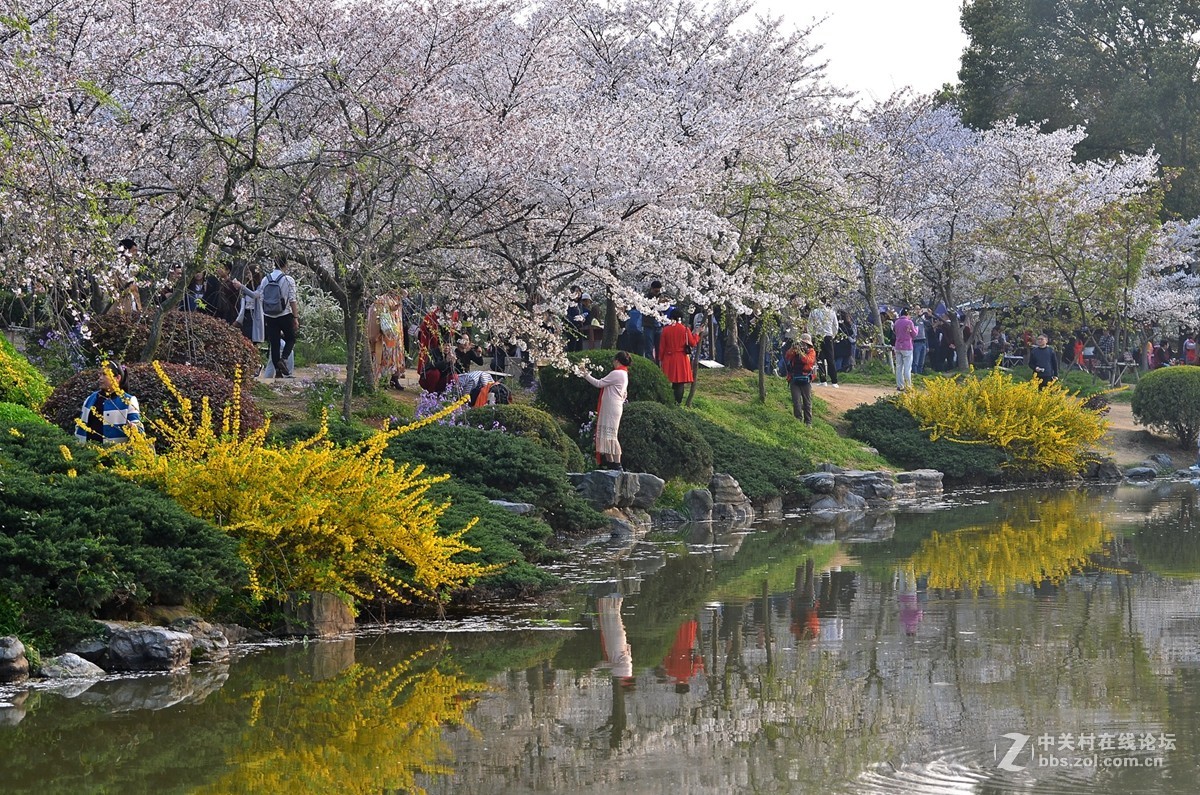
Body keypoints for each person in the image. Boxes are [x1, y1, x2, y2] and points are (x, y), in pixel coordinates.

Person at [581, 351, 631, 469]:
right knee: (606, 434)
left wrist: (585, 374)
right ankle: (611, 463)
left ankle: (617, 463)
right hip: (611, 406)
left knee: (611, 435)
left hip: (611, 407)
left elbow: (599, 383)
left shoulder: (617, 373)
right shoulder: (624, 373)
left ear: (617, 360)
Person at [75, 360, 144, 445]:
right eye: (100, 374)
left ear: (117, 378)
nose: (100, 378)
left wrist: (133, 428)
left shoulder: (128, 401)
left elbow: (139, 430)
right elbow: (80, 426)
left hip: (115, 451)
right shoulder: (91, 399)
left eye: (104, 374)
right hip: (88, 450)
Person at [258, 260, 300, 378]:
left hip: (270, 315)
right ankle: (284, 359)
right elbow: (292, 300)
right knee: (291, 338)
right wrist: (295, 317)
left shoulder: (265, 279)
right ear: (285, 265)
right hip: (285, 314)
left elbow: (261, 298)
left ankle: (278, 371)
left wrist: (264, 315)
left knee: (275, 344)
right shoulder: (288, 279)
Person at [366, 291, 407, 388]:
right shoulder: (381, 300)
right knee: (384, 356)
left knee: (395, 356)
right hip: (385, 335)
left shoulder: (397, 299)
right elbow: (376, 317)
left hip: (396, 334)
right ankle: (382, 380)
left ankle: (394, 378)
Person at [659, 307, 699, 404]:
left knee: (670, 381)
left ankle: (669, 401)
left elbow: (662, 347)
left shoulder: (665, 330)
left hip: (669, 358)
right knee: (680, 383)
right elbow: (693, 343)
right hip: (681, 358)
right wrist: (697, 334)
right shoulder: (685, 329)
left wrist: (661, 359)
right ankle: (678, 403)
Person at [783, 333, 817, 425]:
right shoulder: (795, 350)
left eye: (805, 343)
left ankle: (808, 422)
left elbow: (808, 361)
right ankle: (798, 421)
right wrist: (793, 349)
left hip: (806, 379)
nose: (803, 345)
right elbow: (787, 356)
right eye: (802, 343)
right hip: (794, 378)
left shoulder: (811, 351)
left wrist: (802, 353)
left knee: (807, 402)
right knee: (796, 401)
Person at [808, 298, 839, 387]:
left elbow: (810, 325)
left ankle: (823, 380)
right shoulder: (831, 312)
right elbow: (835, 326)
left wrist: (812, 335)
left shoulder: (813, 312)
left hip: (817, 336)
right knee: (830, 359)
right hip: (828, 336)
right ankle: (834, 381)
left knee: (819, 359)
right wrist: (832, 335)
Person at [892, 308, 918, 391]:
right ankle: (908, 386)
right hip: (907, 346)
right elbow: (914, 334)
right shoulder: (909, 322)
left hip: (898, 346)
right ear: (908, 314)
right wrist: (916, 329)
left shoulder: (896, 322)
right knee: (907, 368)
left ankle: (900, 385)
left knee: (899, 367)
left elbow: (894, 332)